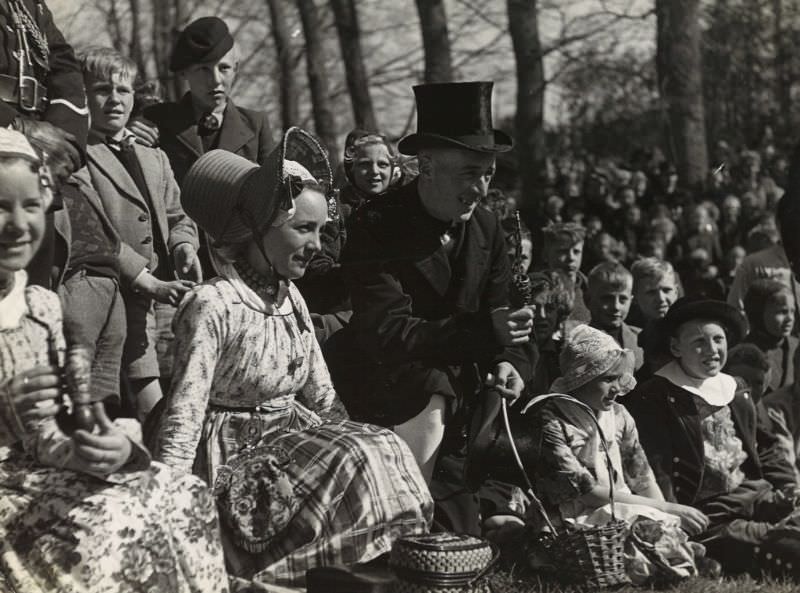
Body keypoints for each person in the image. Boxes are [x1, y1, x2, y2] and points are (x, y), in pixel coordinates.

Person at [153, 127, 432, 587]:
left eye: (321, 230)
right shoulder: (213, 304)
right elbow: (183, 414)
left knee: (379, 443)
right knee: (358, 451)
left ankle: (388, 562)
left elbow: (323, 398)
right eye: (304, 229)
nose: (318, 245)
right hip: (230, 461)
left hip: (287, 442)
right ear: (257, 229)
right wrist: (162, 505)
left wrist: (357, 438)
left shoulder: (292, 300)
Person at [0, 128, 230, 593]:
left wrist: (103, 451)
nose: (19, 224)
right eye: (0, 206)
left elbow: (50, 432)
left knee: (183, 493)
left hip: (38, 472)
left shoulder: (41, 308)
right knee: (107, 522)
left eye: (29, 205)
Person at [329, 82, 532, 486]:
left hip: (468, 397)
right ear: (426, 166)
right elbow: (387, 333)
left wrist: (509, 360)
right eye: (469, 174)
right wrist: (483, 334)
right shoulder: (376, 226)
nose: (481, 189)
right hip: (391, 392)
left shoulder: (486, 226)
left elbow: (502, 311)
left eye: (488, 175)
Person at [624, 296, 800, 576]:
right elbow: (655, 468)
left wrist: (790, 486)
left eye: (718, 339)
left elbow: (764, 447)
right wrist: (674, 518)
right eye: (699, 342)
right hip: (708, 513)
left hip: (755, 495)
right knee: (787, 548)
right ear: (675, 347)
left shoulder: (737, 388)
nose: (713, 350)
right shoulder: (656, 396)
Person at [525, 325, 707, 583]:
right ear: (582, 378)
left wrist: (667, 515)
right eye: (607, 379)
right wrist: (665, 507)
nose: (615, 388)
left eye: (618, 378)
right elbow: (586, 491)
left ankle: (668, 556)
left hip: (618, 503)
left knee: (659, 525)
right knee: (641, 528)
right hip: (574, 512)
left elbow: (641, 475)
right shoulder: (554, 418)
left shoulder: (619, 415)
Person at [76, 47, 199, 420]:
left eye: (123, 90)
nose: (114, 99)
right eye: (101, 89)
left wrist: (183, 247)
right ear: (82, 96)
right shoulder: (79, 153)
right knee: (152, 410)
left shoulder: (153, 156)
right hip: (120, 299)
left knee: (185, 393)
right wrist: (148, 283)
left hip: (169, 296)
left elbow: (180, 215)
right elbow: (95, 233)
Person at [131, 16, 275, 278]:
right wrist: (127, 135)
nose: (216, 80)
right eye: (203, 70)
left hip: (241, 264)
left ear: (237, 68)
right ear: (185, 73)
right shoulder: (158, 121)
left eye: (224, 68)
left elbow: (272, 200)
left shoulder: (256, 125)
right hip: (177, 262)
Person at [0, 1, 89, 288]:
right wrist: (15, 126)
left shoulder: (30, 6)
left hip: (38, 166)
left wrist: (59, 141)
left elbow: (66, 70)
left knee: (30, 303)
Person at [581, 261, 643, 371]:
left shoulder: (641, 338)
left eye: (623, 299)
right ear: (588, 300)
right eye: (607, 298)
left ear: (631, 301)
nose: (616, 307)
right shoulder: (581, 343)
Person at [742, 279, 798, 393]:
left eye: (792, 311)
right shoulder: (742, 354)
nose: (790, 319)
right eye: (782, 312)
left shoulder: (796, 347)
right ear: (758, 313)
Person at [538, 222, 591, 322]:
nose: (571, 258)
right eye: (563, 251)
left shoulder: (589, 290)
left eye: (576, 252)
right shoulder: (537, 289)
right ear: (546, 253)